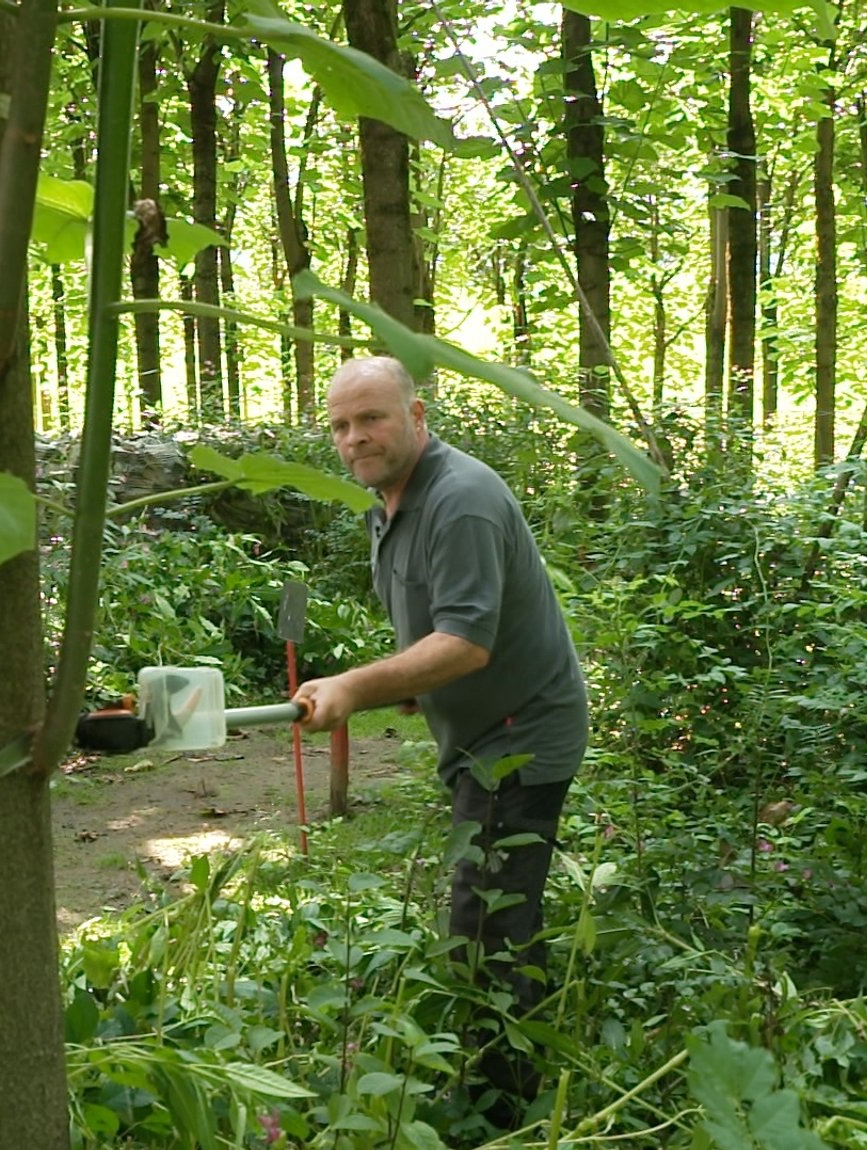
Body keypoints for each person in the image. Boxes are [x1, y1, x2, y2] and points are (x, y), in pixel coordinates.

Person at [293, 355, 589, 1124]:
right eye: (341, 425)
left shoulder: (459, 499)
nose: (356, 437)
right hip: (480, 733)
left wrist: (356, 687)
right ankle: (521, 1064)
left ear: (418, 417)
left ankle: (498, 1115)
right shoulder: (389, 501)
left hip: (522, 736)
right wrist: (416, 685)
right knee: (500, 915)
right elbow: (435, 633)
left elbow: (466, 641)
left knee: (483, 931)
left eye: (373, 418)